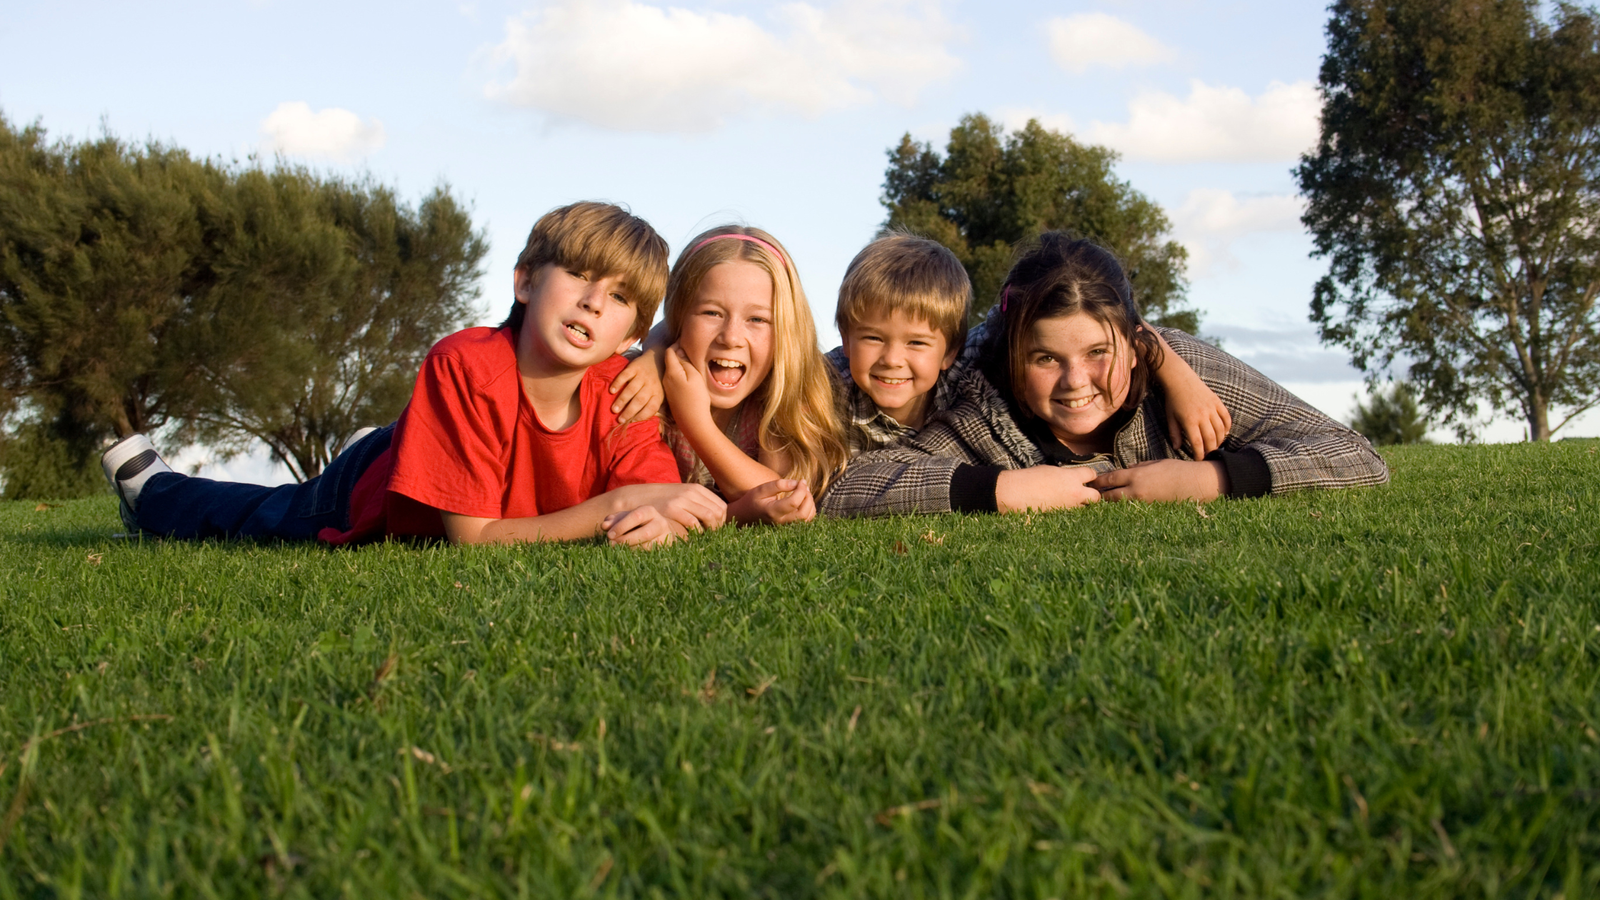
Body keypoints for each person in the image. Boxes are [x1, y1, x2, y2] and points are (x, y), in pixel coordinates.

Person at [102, 202, 727, 549]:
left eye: (619, 298)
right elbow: (476, 541)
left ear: (633, 333)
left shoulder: (626, 393)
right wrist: (620, 506)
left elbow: (656, 499)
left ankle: (404, 438)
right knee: (264, 516)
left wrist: (661, 521)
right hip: (375, 491)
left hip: (451, 455)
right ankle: (156, 492)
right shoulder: (465, 363)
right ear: (526, 280)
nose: (594, 301)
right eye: (579, 275)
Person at [818, 232, 1389, 517]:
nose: (1076, 381)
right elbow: (845, 485)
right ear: (1012, 356)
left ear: (1138, 344)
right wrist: (1000, 488)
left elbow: (1356, 455)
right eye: (1046, 359)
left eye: (1098, 353)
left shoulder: (1185, 368)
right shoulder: (975, 411)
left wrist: (1211, 479)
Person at [824, 232, 1234, 458]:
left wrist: (1176, 373)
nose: (893, 359)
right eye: (874, 338)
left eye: (916, 342)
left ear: (950, 348)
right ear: (846, 338)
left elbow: (1106, 320)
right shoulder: (823, 392)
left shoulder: (967, 357)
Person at [611, 226, 850, 525]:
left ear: (785, 333)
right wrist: (653, 354)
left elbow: (780, 498)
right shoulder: (645, 387)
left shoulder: (780, 394)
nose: (731, 337)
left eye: (758, 319)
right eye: (712, 313)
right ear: (678, 319)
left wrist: (695, 422)